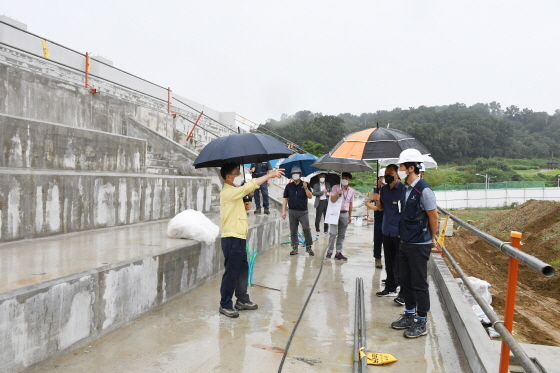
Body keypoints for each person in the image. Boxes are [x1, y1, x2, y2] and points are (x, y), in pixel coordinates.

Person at [218, 162, 284, 318]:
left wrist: (244, 205)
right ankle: (225, 304)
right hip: (231, 238)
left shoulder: (234, 193)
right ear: (228, 177)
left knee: (242, 271)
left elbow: (247, 192)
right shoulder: (227, 192)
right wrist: (268, 175)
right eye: (236, 174)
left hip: (239, 236)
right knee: (232, 272)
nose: (238, 177)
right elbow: (248, 187)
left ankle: (242, 300)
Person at [390, 149, 438, 338]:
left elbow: (433, 217)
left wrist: (431, 239)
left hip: (419, 244)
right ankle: (409, 314)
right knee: (406, 281)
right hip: (406, 241)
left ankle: (421, 321)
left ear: (411, 168)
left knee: (419, 284)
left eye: (401, 167)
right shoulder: (405, 190)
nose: (399, 170)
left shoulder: (424, 190)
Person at [372, 165, 406, 306]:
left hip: (398, 232)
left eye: (390, 173)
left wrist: (402, 231)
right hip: (386, 230)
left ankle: (402, 291)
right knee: (389, 260)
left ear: (397, 175)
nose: (387, 176)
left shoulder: (403, 190)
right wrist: (378, 199)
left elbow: (405, 212)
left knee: (401, 263)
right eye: (386, 174)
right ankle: (390, 287)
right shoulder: (384, 190)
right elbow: (380, 209)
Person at [282, 166, 314, 256]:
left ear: (300, 174)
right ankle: (294, 248)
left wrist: (306, 188)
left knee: (306, 229)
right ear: (292, 175)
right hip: (292, 211)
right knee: (293, 231)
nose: (295, 175)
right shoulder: (289, 186)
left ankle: (308, 247)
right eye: (293, 174)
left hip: (303, 211)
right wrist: (283, 211)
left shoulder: (305, 184)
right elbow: (285, 199)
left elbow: (310, 196)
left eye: (297, 173)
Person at [325, 172, 355, 261]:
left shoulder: (351, 191)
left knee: (341, 235)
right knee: (333, 233)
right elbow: (332, 200)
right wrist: (337, 193)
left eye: (346, 178)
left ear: (350, 180)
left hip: (344, 213)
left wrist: (350, 216)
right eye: (343, 178)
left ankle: (338, 253)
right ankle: (329, 251)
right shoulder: (336, 187)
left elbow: (350, 204)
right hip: (335, 213)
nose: (344, 180)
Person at [365, 169, 386, 269]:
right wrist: (374, 207)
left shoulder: (392, 190)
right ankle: (377, 258)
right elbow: (367, 202)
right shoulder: (376, 190)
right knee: (378, 240)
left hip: (389, 219)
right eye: (383, 177)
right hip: (379, 218)